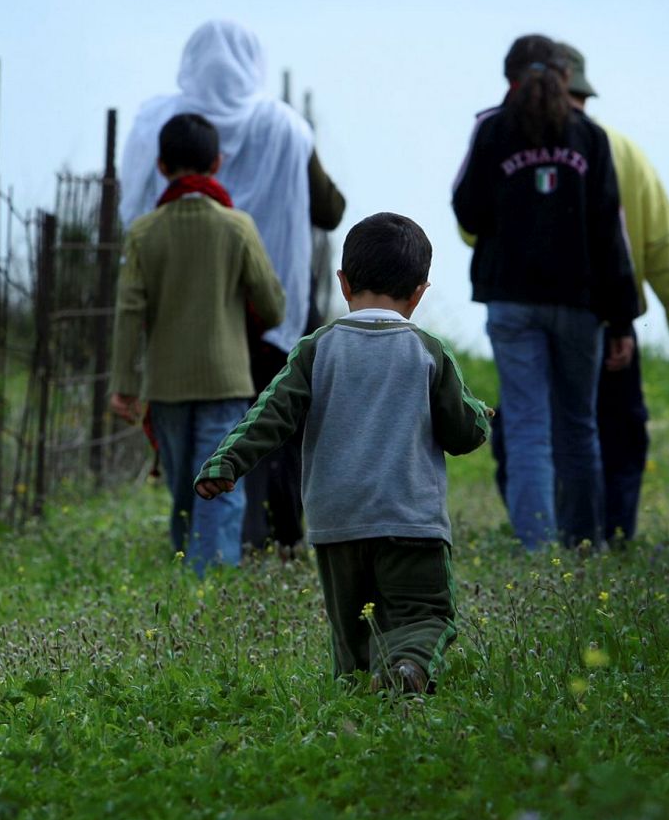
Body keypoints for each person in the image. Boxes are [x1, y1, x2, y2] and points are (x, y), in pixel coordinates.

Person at [194, 213, 491, 693]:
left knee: (351, 632)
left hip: (338, 521)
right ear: (419, 292)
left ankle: (357, 696)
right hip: (410, 518)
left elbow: (269, 414)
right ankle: (409, 666)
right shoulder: (428, 351)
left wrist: (227, 462)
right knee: (426, 614)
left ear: (344, 281)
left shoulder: (317, 349)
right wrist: (480, 414)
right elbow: (462, 432)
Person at [119, 20, 345, 553]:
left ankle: (202, 538)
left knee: (196, 428)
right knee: (277, 416)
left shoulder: (158, 120)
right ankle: (275, 532)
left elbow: (130, 208)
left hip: (185, 305)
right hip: (270, 304)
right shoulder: (285, 129)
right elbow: (330, 210)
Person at [487, 43, 669, 543]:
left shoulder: (509, 138)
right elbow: (662, 246)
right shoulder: (619, 148)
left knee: (526, 430)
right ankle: (603, 541)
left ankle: (539, 541)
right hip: (605, 317)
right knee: (609, 433)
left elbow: (473, 226)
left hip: (523, 306)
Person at [451, 34, 638, 551]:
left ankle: (537, 551)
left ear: (509, 79)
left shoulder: (492, 131)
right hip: (581, 303)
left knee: (529, 425)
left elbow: (467, 209)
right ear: (565, 79)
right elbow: (609, 235)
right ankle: (584, 545)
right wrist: (622, 320)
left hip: (510, 300)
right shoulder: (590, 139)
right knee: (579, 427)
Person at [110, 113, 285, 576]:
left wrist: (125, 384)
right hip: (226, 382)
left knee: (185, 489)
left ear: (162, 166)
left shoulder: (144, 232)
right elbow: (272, 308)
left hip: (165, 386)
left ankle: (190, 572)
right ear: (218, 162)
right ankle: (210, 585)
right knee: (220, 487)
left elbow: (130, 313)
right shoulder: (237, 227)